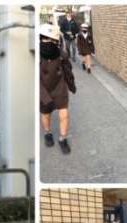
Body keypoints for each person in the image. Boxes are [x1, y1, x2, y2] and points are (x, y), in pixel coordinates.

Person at [40, 23, 76, 155]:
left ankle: (63, 139)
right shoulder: (36, 55)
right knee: (46, 114)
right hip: (43, 89)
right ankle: (48, 133)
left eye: (50, 39)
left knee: (64, 115)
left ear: (55, 40)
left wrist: (72, 86)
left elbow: (68, 71)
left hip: (60, 88)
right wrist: (43, 96)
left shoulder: (61, 55)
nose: (46, 41)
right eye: (44, 38)